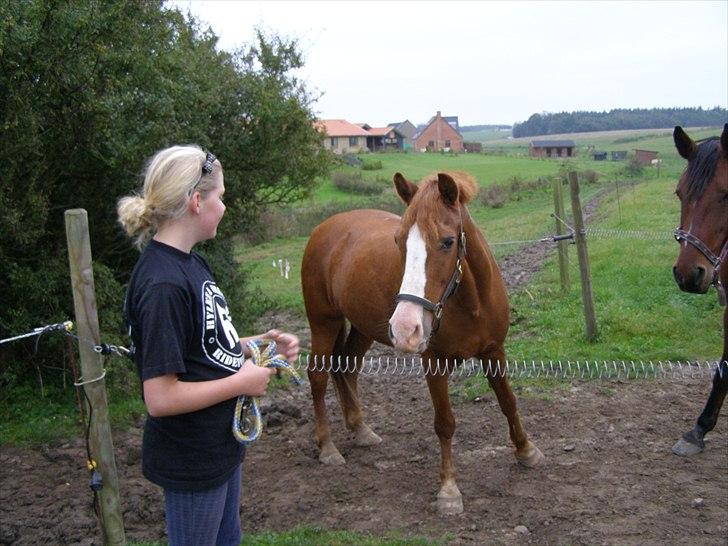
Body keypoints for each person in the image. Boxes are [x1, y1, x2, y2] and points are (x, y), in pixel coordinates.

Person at [117, 145, 299, 546]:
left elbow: (206, 343)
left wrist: (257, 345)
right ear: (197, 202)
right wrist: (242, 384)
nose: (224, 206)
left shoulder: (191, 263)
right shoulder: (163, 284)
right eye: (220, 196)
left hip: (218, 447)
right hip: (191, 459)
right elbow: (160, 398)